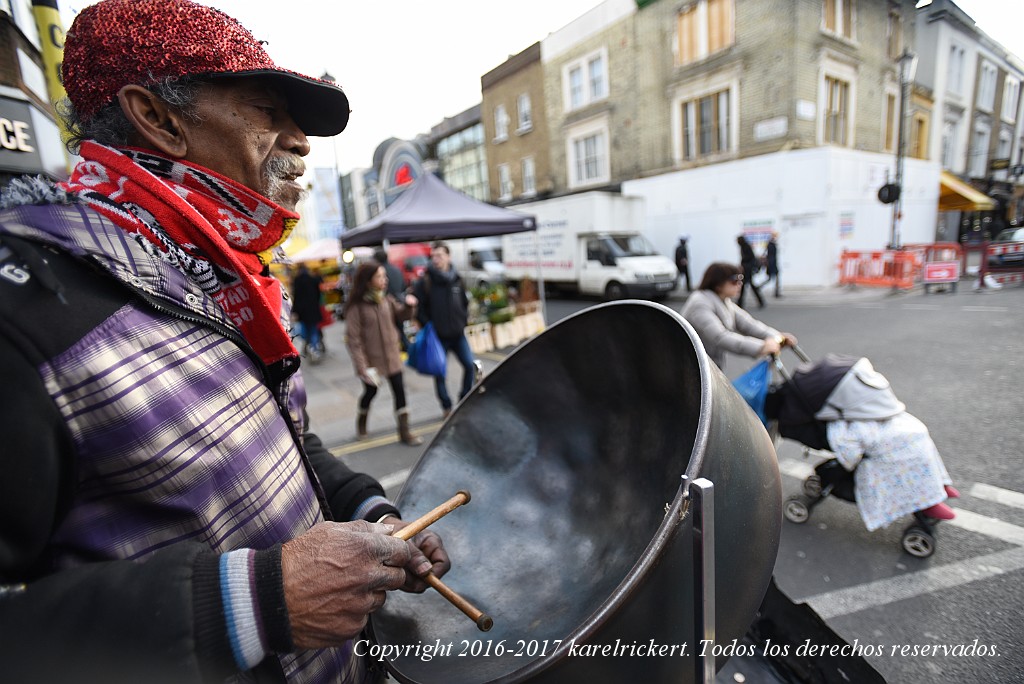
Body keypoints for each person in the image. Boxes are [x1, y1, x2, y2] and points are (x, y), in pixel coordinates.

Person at [0, 2, 449, 682]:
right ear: (157, 117)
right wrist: (255, 603)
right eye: (269, 109)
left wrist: (371, 510)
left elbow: (277, 432)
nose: (300, 141)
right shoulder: (27, 308)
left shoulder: (216, 269)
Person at [345, 261, 423, 446]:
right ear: (368, 281)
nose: (384, 280)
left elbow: (402, 315)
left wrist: (410, 307)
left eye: (384, 276)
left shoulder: (386, 300)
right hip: (372, 362)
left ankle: (405, 432)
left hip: (393, 357)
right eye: (380, 276)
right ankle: (361, 423)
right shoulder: (357, 307)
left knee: (400, 392)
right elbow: (354, 341)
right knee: (370, 393)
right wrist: (362, 368)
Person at [680, 262, 798, 370]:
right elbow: (720, 337)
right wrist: (761, 347)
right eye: (734, 280)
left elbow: (749, 324)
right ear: (718, 284)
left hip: (707, 367)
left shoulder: (723, 300)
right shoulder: (700, 304)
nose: (739, 284)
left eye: (741, 279)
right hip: (691, 369)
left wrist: (777, 336)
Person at [413, 241, 476, 417]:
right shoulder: (425, 281)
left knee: (470, 366)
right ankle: (446, 407)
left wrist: (463, 320)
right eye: (432, 256)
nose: (435, 259)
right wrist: (429, 325)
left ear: (448, 256)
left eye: (439, 255)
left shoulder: (456, 278)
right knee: (439, 372)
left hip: (457, 333)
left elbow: (464, 301)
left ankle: (464, 399)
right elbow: (418, 308)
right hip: (437, 336)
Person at [374, 247, 409, 352]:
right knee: (400, 329)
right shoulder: (396, 269)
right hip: (399, 301)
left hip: (387, 305)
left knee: (389, 331)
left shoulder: (379, 272)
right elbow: (403, 285)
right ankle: (407, 348)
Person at [291, 262, 325, 361]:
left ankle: (310, 346)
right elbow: (319, 295)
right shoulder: (313, 280)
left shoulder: (297, 280)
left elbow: (296, 297)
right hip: (313, 309)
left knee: (305, 330)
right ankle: (314, 348)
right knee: (314, 330)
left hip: (303, 311)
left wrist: (295, 311)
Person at [736, 235, 766, 309]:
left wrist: (744, 265)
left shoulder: (746, 247)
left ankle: (740, 303)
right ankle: (741, 302)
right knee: (748, 286)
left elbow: (749, 258)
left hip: (747, 270)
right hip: (747, 269)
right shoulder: (744, 247)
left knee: (745, 286)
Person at [763, 232, 781, 298]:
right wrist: (771, 265)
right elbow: (770, 256)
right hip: (772, 264)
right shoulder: (771, 244)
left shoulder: (771, 243)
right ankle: (758, 287)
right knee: (771, 278)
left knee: (774, 279)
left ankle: (777, 292)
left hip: (773, 264)